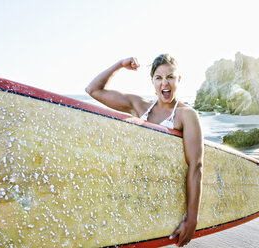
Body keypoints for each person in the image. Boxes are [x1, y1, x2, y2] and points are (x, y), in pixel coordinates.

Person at [85, 54, 203, 247]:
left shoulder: (186, 115)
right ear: (152, 81)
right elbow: (93, 90)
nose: (165, 83)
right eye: (159, 78)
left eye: (170, 77)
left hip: (163, 203)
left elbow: (195, 166)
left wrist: (192, 219)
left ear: (179, 79)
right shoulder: (140, 106)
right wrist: (120, 65)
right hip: (133, 198)